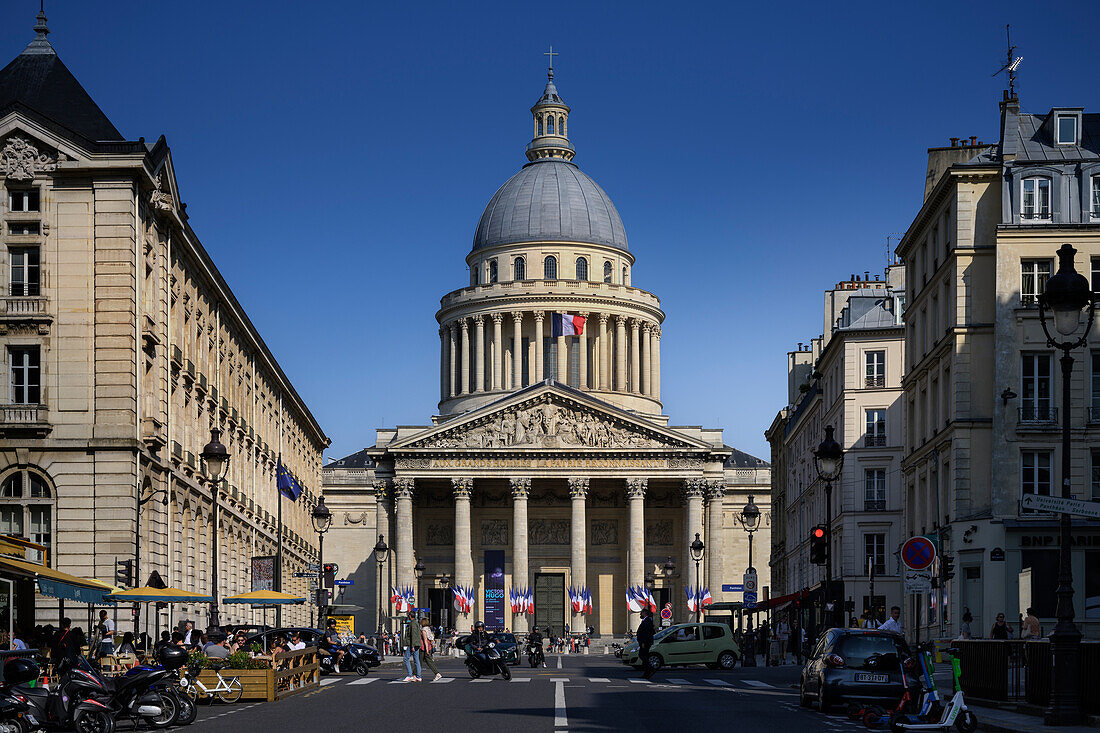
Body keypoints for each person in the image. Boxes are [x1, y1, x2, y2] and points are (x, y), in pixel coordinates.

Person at [400, 612, 422, 682]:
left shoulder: (413, 624)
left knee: (406, 659)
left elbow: (413, 635)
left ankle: (410, 675)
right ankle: (418, 676)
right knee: (416, 660)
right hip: (416, 644)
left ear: (410, 616)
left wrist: (412, 646)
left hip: (413, 644)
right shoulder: (415, 623)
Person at [636, 607, 656, 679]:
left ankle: (650, 669)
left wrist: (643, 642)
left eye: (641, 613)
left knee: (642, 656)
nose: (640, 614)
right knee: (644, 656)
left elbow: (647, 633)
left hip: (645, 642)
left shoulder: (647, 621)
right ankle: (647, 673)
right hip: (645, 642)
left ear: (644, 613)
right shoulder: (646, 620)